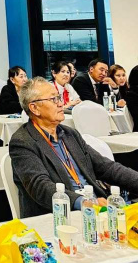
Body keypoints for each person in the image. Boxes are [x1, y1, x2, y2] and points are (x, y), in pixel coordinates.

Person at [9, 77, 138, 219]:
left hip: (96, 209)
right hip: (60, 215)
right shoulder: (23, 142)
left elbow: (107, 167)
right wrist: (82, 202)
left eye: (59, 98)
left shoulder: (69, 134)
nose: (61, 104)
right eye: (54, 99)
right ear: (34, 108)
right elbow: (40, 187)